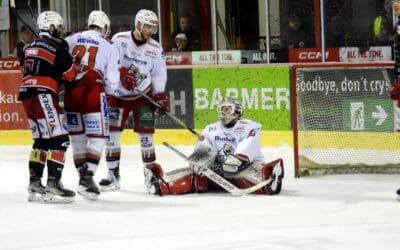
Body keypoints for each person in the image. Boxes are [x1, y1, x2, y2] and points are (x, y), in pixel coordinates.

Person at [144, 97, 284, 196]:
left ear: (237, 110)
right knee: (196, 176)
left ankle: (272, 176)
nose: (224, 112)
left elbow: (250, 143)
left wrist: (239, 158)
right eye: (222, 109)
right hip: (217, 169)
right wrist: (199, 159)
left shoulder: (249, 126)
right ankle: (159, 183)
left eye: (228, 109)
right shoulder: (211, 128)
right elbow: (204, 145)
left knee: (256, 182)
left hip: (245, 166)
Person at [98, 9, 169, 192]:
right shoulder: (119, 39)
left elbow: (159, 73)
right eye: (147, 27)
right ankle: (113, 175)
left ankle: (151, 176)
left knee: (146, 138)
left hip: (141, 97)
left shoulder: (155, 48)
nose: (150, 32)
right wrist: (120, 72)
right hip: (117, 96)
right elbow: (107, 61)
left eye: (153, 29)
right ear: (138, 24)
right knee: (112, 136)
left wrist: (159, 94)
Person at [64, 10, 129, 200]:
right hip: (93, 88)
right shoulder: (108, 45)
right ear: (105, 27)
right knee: (99, 136)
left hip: (70, 91)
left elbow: (60, 60)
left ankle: (84, 179)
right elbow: (112, 81)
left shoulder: (72, 38)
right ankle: (87, 177)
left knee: (77, 138)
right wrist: (110, 91)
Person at [18, 11, 77, 203]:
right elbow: (70, 75)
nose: (60, 31)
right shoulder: (56, 47)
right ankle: (53, 184)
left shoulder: (27, 47)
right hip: (44, 94)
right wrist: (72, 61)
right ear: (50, 27)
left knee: (41, 141)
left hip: (26, 94)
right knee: (59, 140)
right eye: (58, 28)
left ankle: (34, 183)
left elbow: (24, 69)